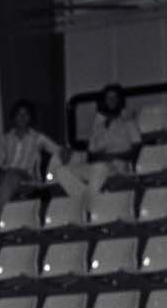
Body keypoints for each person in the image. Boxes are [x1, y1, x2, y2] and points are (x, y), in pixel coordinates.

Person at [54, 83, 142, 217]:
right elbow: (91, 154)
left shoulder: (128, 121)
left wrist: (110, 156)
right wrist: (99, 157)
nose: (112, 101)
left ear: (120, 100)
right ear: (104, 101)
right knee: (61, 171)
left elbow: (136, 151)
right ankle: (91, 205)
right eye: (108, 98)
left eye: (115, 97)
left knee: (100, 167)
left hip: (117, 166)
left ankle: (85, 209)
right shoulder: (98, 124)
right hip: (96, 167)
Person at [0, 100, 64, 219]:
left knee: (12, 173)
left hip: (26, 177)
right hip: (6, 175)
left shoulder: (38, 138)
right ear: (14, 117)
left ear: (30, 118)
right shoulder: (6, 138)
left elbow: (57, 150)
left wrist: (66, 154)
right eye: (19, 114)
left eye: (26, 114)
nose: (22, 118)